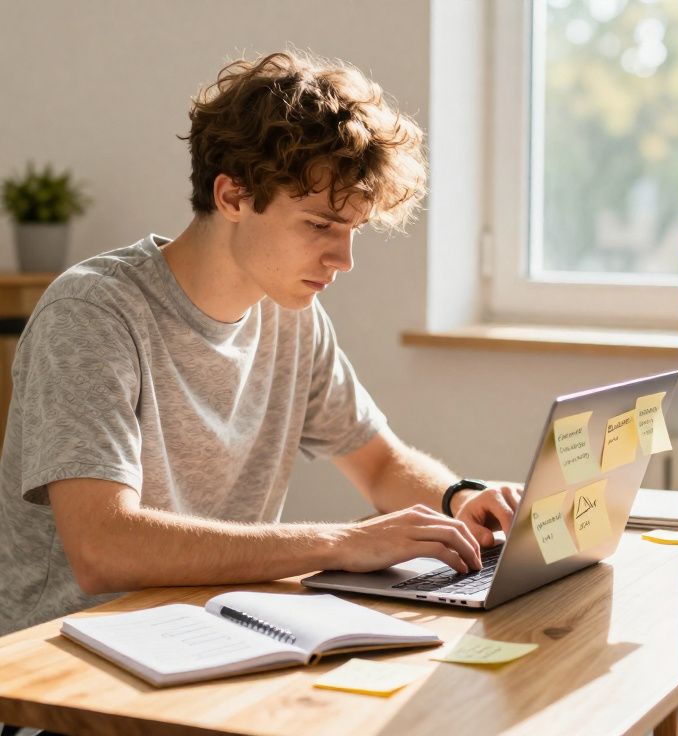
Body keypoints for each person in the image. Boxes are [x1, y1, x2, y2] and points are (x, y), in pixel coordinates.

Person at [0, 51, 521, 636]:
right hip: (68, 671)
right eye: (320, 225)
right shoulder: (93, 313)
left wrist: (457, 496)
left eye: (352, 231)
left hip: (220, 634)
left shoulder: (291, 314)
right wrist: (342, 543)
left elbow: (379, 464)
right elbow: (104, 548)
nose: (343, 259)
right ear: (232, 197)